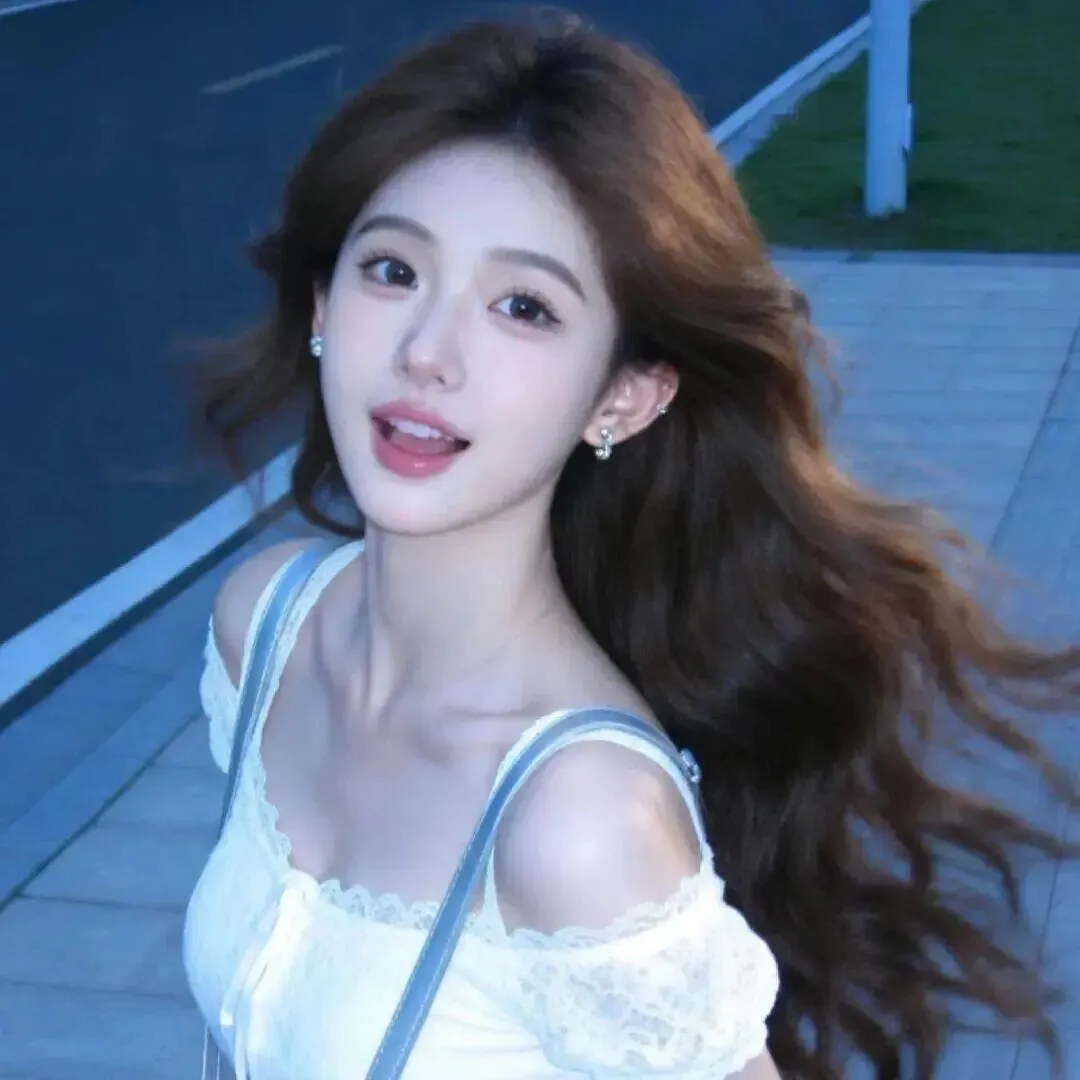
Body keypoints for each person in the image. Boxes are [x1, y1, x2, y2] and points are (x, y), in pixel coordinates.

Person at [184, 10, 1080, 1080]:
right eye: (393, 270)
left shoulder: (581, 821)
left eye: (523, 307)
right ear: (324, 303)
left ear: (625, 395)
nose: (428, 352)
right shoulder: (264, 628)